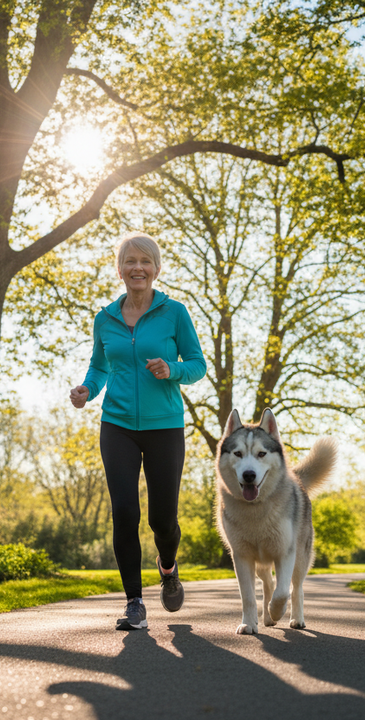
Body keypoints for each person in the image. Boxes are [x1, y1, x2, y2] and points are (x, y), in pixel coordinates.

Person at [70, 232, 206, 631]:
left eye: (145, 261)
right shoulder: (105, 318)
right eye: (130, 261)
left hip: (165, 427)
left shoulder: (174, 312)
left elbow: (197, 364)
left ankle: (168, 567)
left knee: (162, 521)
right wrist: (87, 391)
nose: (137, 268)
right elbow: (100, 367)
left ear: (156, 269)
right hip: (117, 426)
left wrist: (173, 369)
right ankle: (134, 603)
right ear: (120, 269)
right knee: (125, 513)